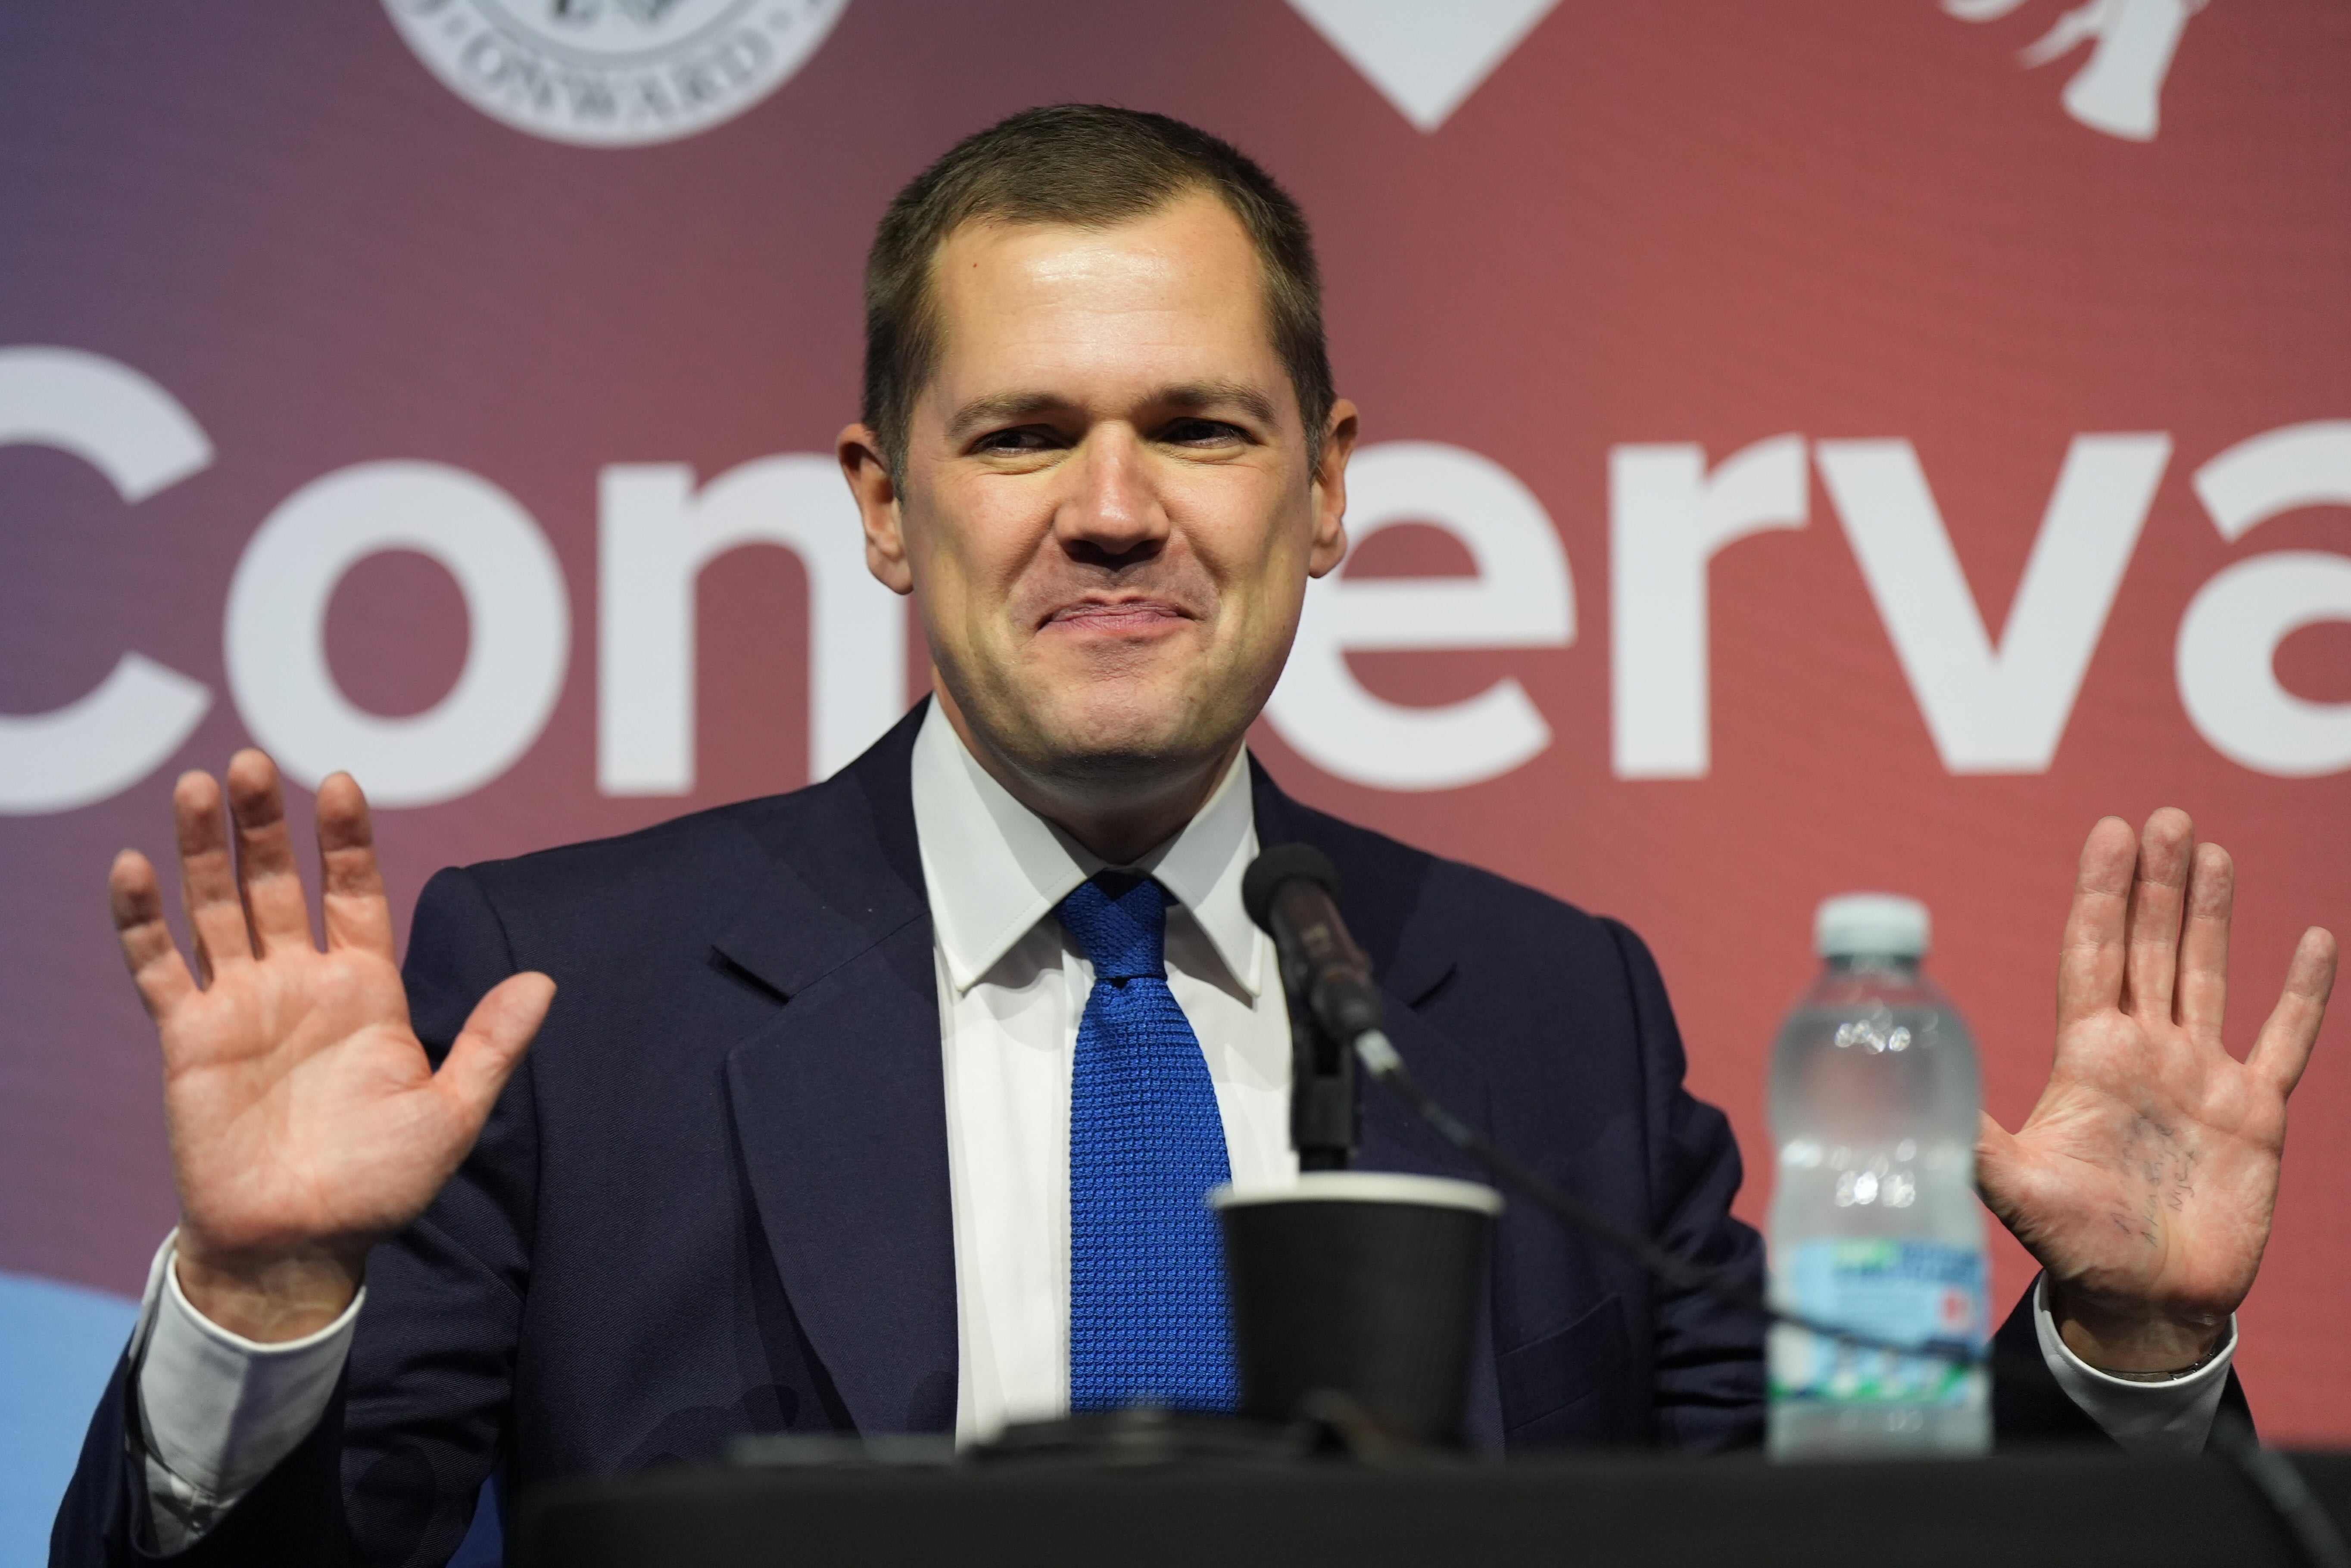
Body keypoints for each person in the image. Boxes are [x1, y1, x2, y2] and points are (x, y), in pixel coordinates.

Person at [55, 106, 2335, 1565]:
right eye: (1027, 431)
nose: (1118, 508)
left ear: (1327, 486)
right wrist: (262, 1304)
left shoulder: (1548, 1018)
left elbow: (1796, 1554)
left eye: (1202, 427)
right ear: (880, 501)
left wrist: (2117, 1350)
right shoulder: (574, 991)